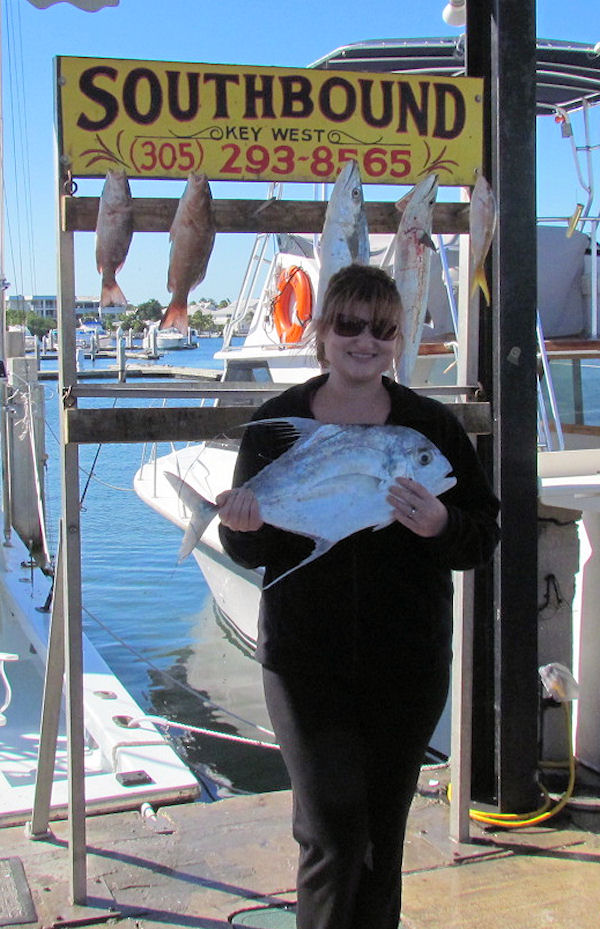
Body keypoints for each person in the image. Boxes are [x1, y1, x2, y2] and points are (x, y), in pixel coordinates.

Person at [217, 263, 499, 929]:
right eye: (348, 324)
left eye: (382, 329)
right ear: (322, 331)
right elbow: (249, 552)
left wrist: (440, 523)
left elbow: (481, 536)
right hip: (304, 662)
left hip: (407, 663)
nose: (364, 340)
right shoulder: (275, 422)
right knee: (330, 831)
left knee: (380, 835)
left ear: (398, 339)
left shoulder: (428, 428)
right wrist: (242, 525)